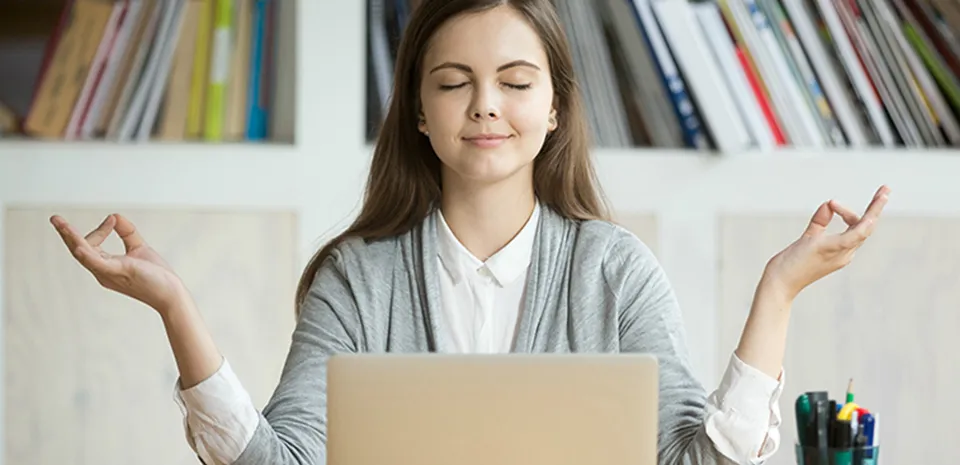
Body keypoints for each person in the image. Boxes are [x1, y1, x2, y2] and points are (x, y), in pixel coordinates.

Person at [49, 0, 890, 464]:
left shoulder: (616, 271)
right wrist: (177, 310)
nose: (485, 104)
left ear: (554, 105)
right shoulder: (357, 277)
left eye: (515, 82)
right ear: (419, 109)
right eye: (454, 83)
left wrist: (777, 291)